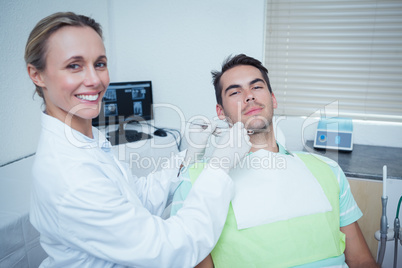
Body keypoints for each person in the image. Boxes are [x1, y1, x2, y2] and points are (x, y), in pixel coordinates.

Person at [25, 12, 251, 268]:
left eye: (100, 63)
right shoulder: (69, 175)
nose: (94, 80)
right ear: (37, 74)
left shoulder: (86, 139)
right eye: (74, 65)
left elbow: (137, 199)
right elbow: (170, 249)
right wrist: (218, 167)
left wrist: (187, 156)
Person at [171, 54, 378, 267]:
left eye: (257, 87)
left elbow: (362, 260)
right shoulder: (196, 182)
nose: (249, 96)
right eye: (235, 92)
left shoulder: (328, 170)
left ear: (273, 99)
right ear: (221, 112)